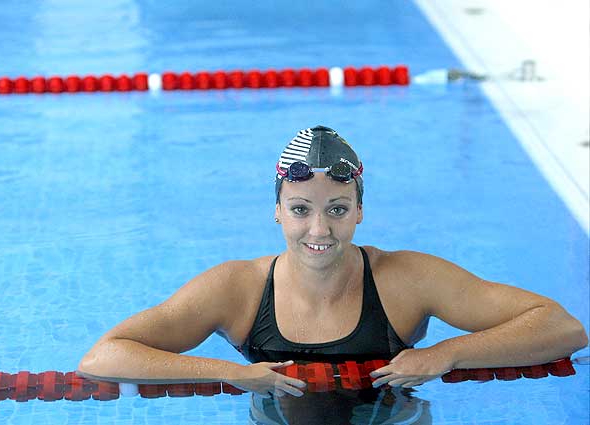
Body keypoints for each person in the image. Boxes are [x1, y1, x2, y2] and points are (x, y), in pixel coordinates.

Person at [77, 125, 588, 424]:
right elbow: (104, 357)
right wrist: (229, 372)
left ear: (360, 211)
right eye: (301, 209)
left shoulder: (406, 279)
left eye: (337, 209)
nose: (319, 229)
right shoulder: (236, 289)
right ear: (277, 211)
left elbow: (561, 327)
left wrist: (446, 353)